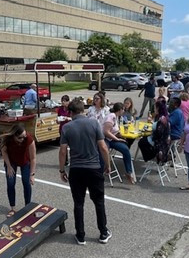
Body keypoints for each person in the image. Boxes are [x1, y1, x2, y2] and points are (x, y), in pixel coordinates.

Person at [59, 98, 112, 245]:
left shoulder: (67, 128)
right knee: (99, 201)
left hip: (76, 169)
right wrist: (107, 165)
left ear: (70, 112)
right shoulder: (94, 123)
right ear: (83, 110)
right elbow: (103, 147)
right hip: (93, 167)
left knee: (78, 203)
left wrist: (62, 169)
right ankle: (103, 232)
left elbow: (63, 151)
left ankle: (80, 235)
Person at [1, 124, 36, 217]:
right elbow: (3, 151)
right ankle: (12, 208)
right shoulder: (8, 139)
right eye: (20, 138)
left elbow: (33, 158)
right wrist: (8, 166)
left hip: (24, 161)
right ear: (14, 136)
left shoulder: (29, 139)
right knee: (11, 183)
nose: (23, 139)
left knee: (26, 182)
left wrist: (32, 174)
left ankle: (27, 206)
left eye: (24, 137)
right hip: (11, 161)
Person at [102, 103, 135, 184]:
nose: (124, 111)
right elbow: (106, 132)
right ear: (120, 110)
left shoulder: (117, 117)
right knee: (104, 151)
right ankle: (102, 170)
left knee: (125, 149)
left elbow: (114, 130)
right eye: (123, 109)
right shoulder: (111, 116)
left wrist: (121, 136)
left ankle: (128, 172)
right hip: (105, 139)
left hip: (112, 138)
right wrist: (117, 139)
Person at [57, 95, 72, 165]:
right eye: (62, 101)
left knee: (72, 146)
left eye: (65, 101)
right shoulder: (60, 109)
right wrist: (58, 120)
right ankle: (65, 161)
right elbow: (58, 117)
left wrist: (67, 118)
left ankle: (73, 159)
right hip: (62, 129)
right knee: (63, 146)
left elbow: (74, 118)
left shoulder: (71, 109)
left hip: (70, 129)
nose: (63, 102)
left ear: (68, 101)